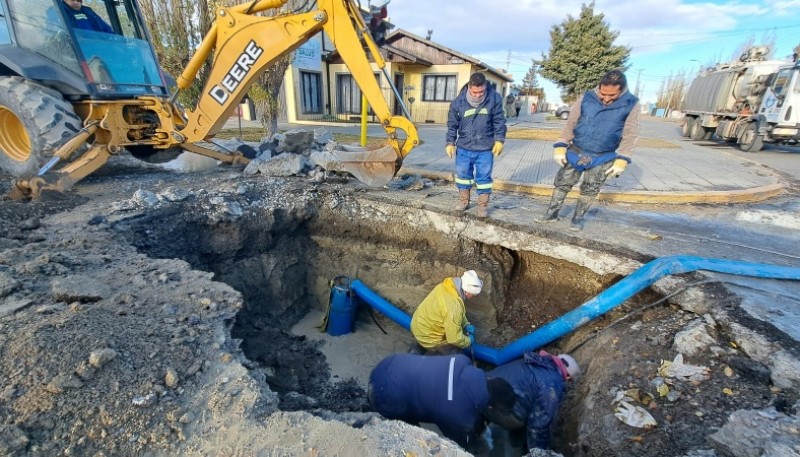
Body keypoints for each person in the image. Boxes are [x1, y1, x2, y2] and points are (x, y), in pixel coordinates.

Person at [537, 69, 639, 231]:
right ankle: (551, 215)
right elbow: (571, 122)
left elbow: (630, 133)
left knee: (590, 189)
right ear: (599, 87)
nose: (606, 99)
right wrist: (561, 144)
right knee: (562, 183)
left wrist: (622, 158)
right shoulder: (587, 97)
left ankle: (577, 219)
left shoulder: (631, 103)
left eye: (612, 96)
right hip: (576, 151)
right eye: (603, 93)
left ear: (622, 90)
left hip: (603, 156)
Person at [368, 353, 516, 452]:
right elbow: (459, 444)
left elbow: (460, 393)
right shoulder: (460, 417)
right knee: (413, 436)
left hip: (390, 363)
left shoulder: (462, 360)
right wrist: (476, 442)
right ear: (490, 406)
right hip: (384, 397)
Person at [484, 350, 580, 451]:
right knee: (529, 418)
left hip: (479, 390)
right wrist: (538, 452)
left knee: (526, 404)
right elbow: (539, 426)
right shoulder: (553, 384)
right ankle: (517, 447)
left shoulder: (534, 361)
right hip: (496, 408)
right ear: (568, 377)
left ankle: (514, 443)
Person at [445, 72, 507, 218]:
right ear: (469, 87)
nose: (478, 95)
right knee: (463, 176)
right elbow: (452, 125)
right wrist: (450, 142)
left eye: (481, 92)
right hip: (464, 147)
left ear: (485, 87)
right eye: (475, 92)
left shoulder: (494, 99)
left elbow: (499, 121)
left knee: (484, 179)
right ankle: (463, 201)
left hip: (485, 148)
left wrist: (499, 140)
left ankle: (482, 206)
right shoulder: (457, 103)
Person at [410, 270, 482, 355]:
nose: (473, 297)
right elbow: (454, 339)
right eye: (473, 294)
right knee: (457, 354)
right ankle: (432, 356)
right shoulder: (454, 306)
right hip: (429, 337)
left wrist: (465, 324)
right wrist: (468, 341)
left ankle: (417, 348)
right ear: (466, 292)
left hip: (418, 326)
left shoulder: (446, 286)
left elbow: (453, 312)